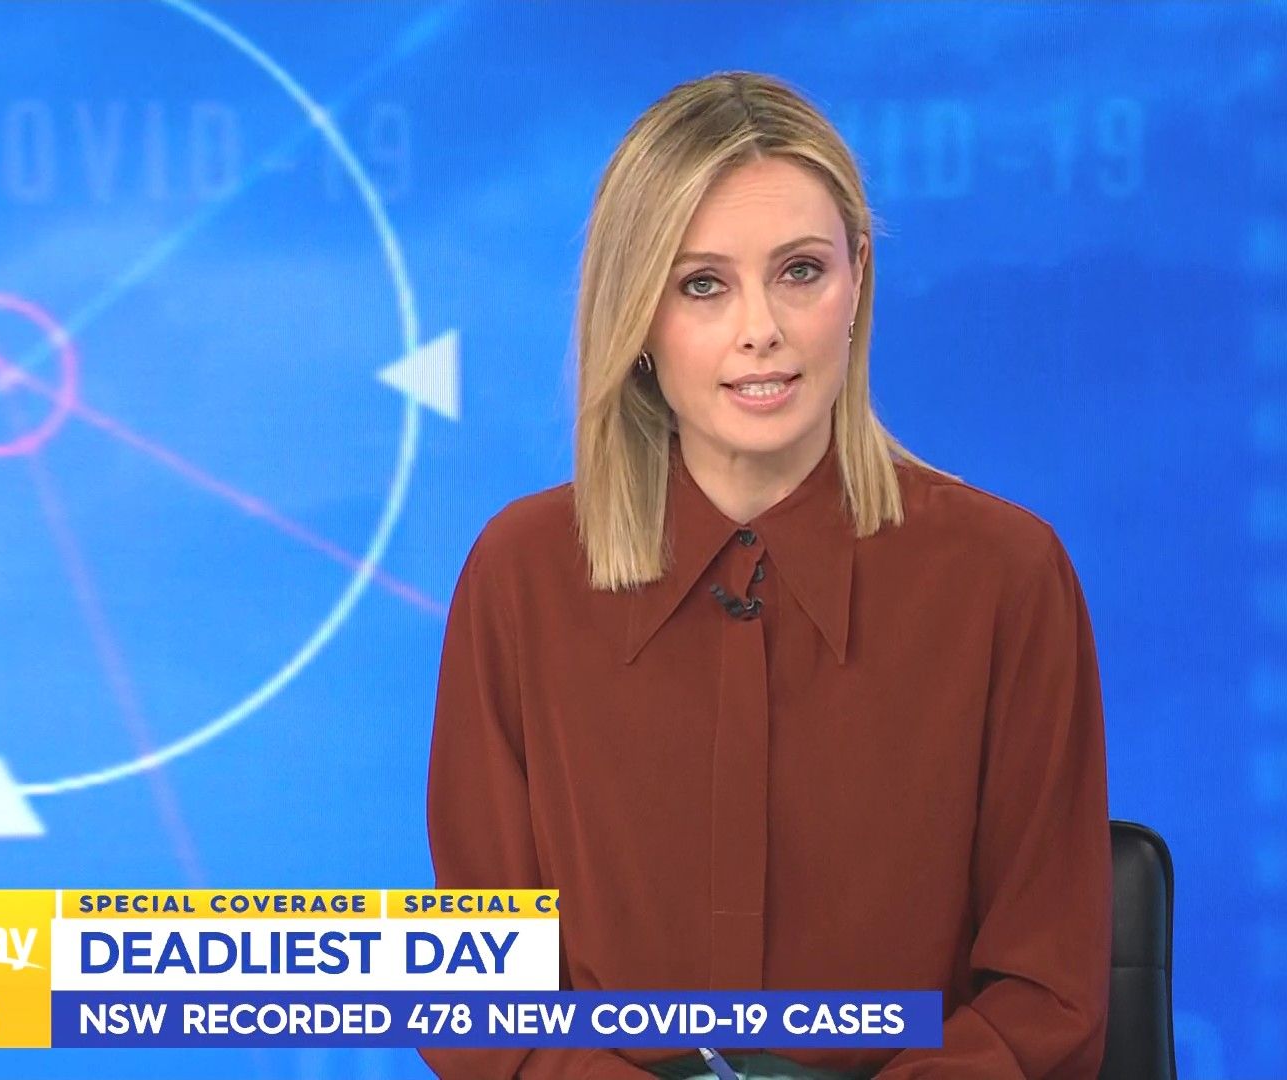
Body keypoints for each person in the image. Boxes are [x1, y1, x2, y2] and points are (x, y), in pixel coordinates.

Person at [420, 70, 1111, 1080]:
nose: (762, 331)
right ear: (637, 314)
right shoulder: (519, 576)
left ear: (858, 279)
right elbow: (481, 998)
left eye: (800, 271)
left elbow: (1047, 998)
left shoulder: (1007, 578)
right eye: (703, 284)